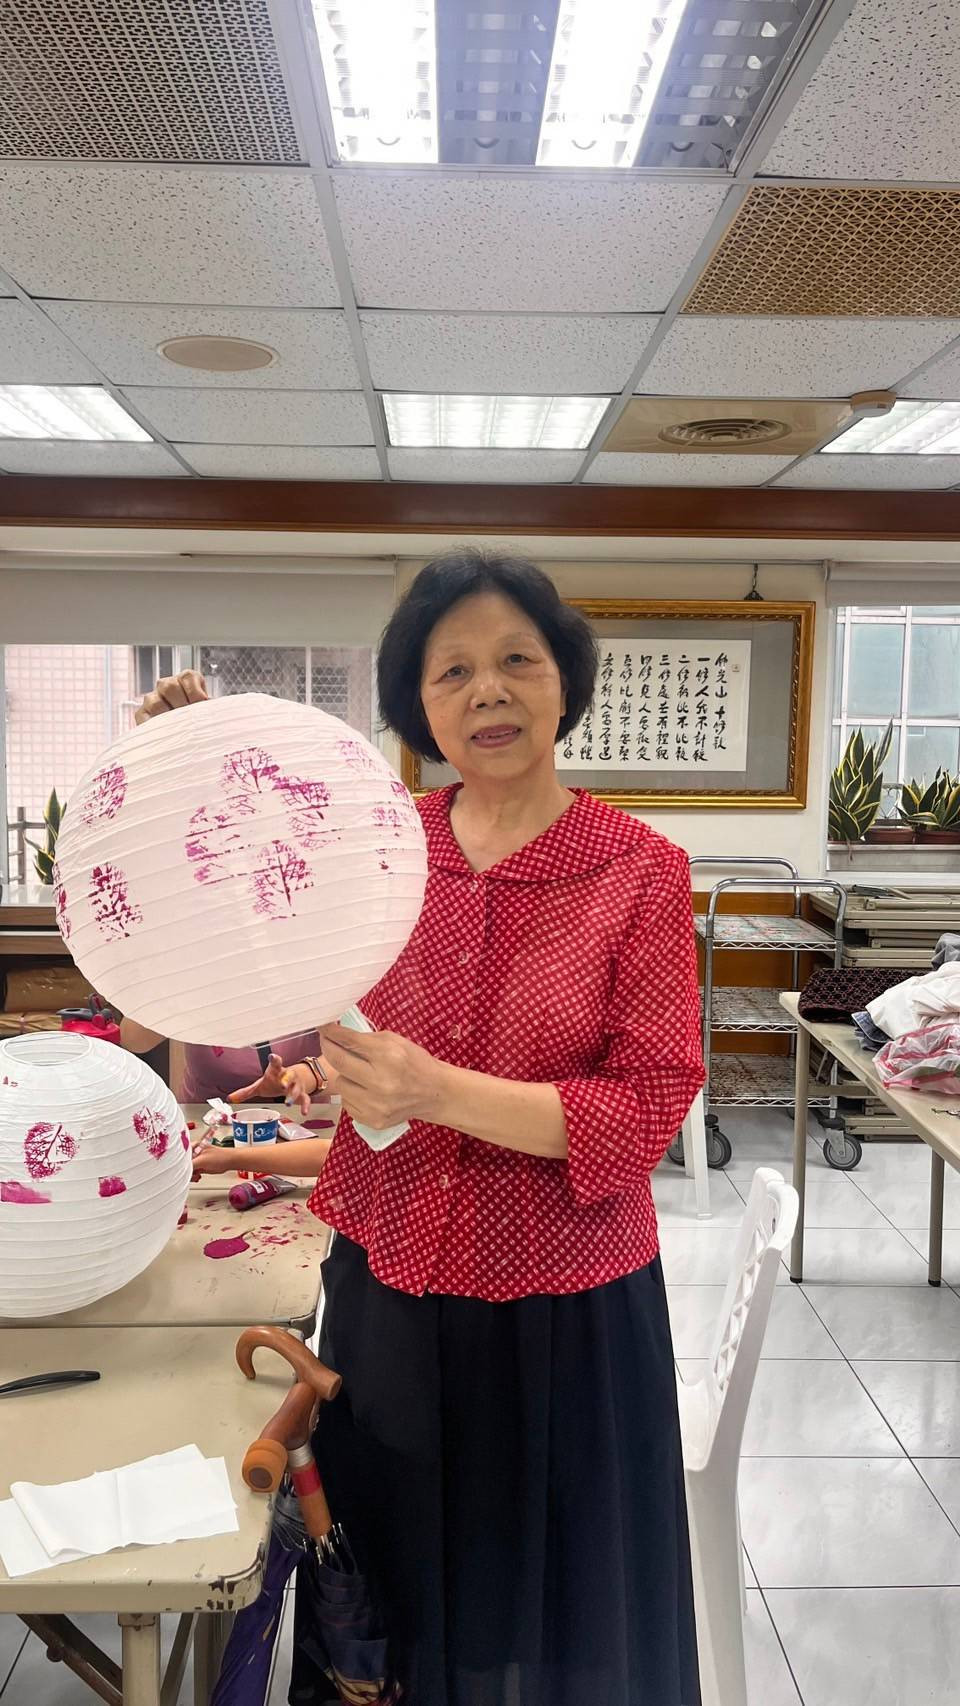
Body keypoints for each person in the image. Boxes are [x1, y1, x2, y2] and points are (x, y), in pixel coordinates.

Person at [136, 551, 705, 1706]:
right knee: (385, 1612)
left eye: (516, 659)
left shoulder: (641, 870)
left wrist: (435, 1089)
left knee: (547, 1621)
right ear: (416, 702)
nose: (487, 689)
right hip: (387, 1290)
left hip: (563, 1315)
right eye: (452, 670)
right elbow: (246, 925)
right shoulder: (375, 851)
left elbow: (646, 1106)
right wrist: (186, 775)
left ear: (564, 682)